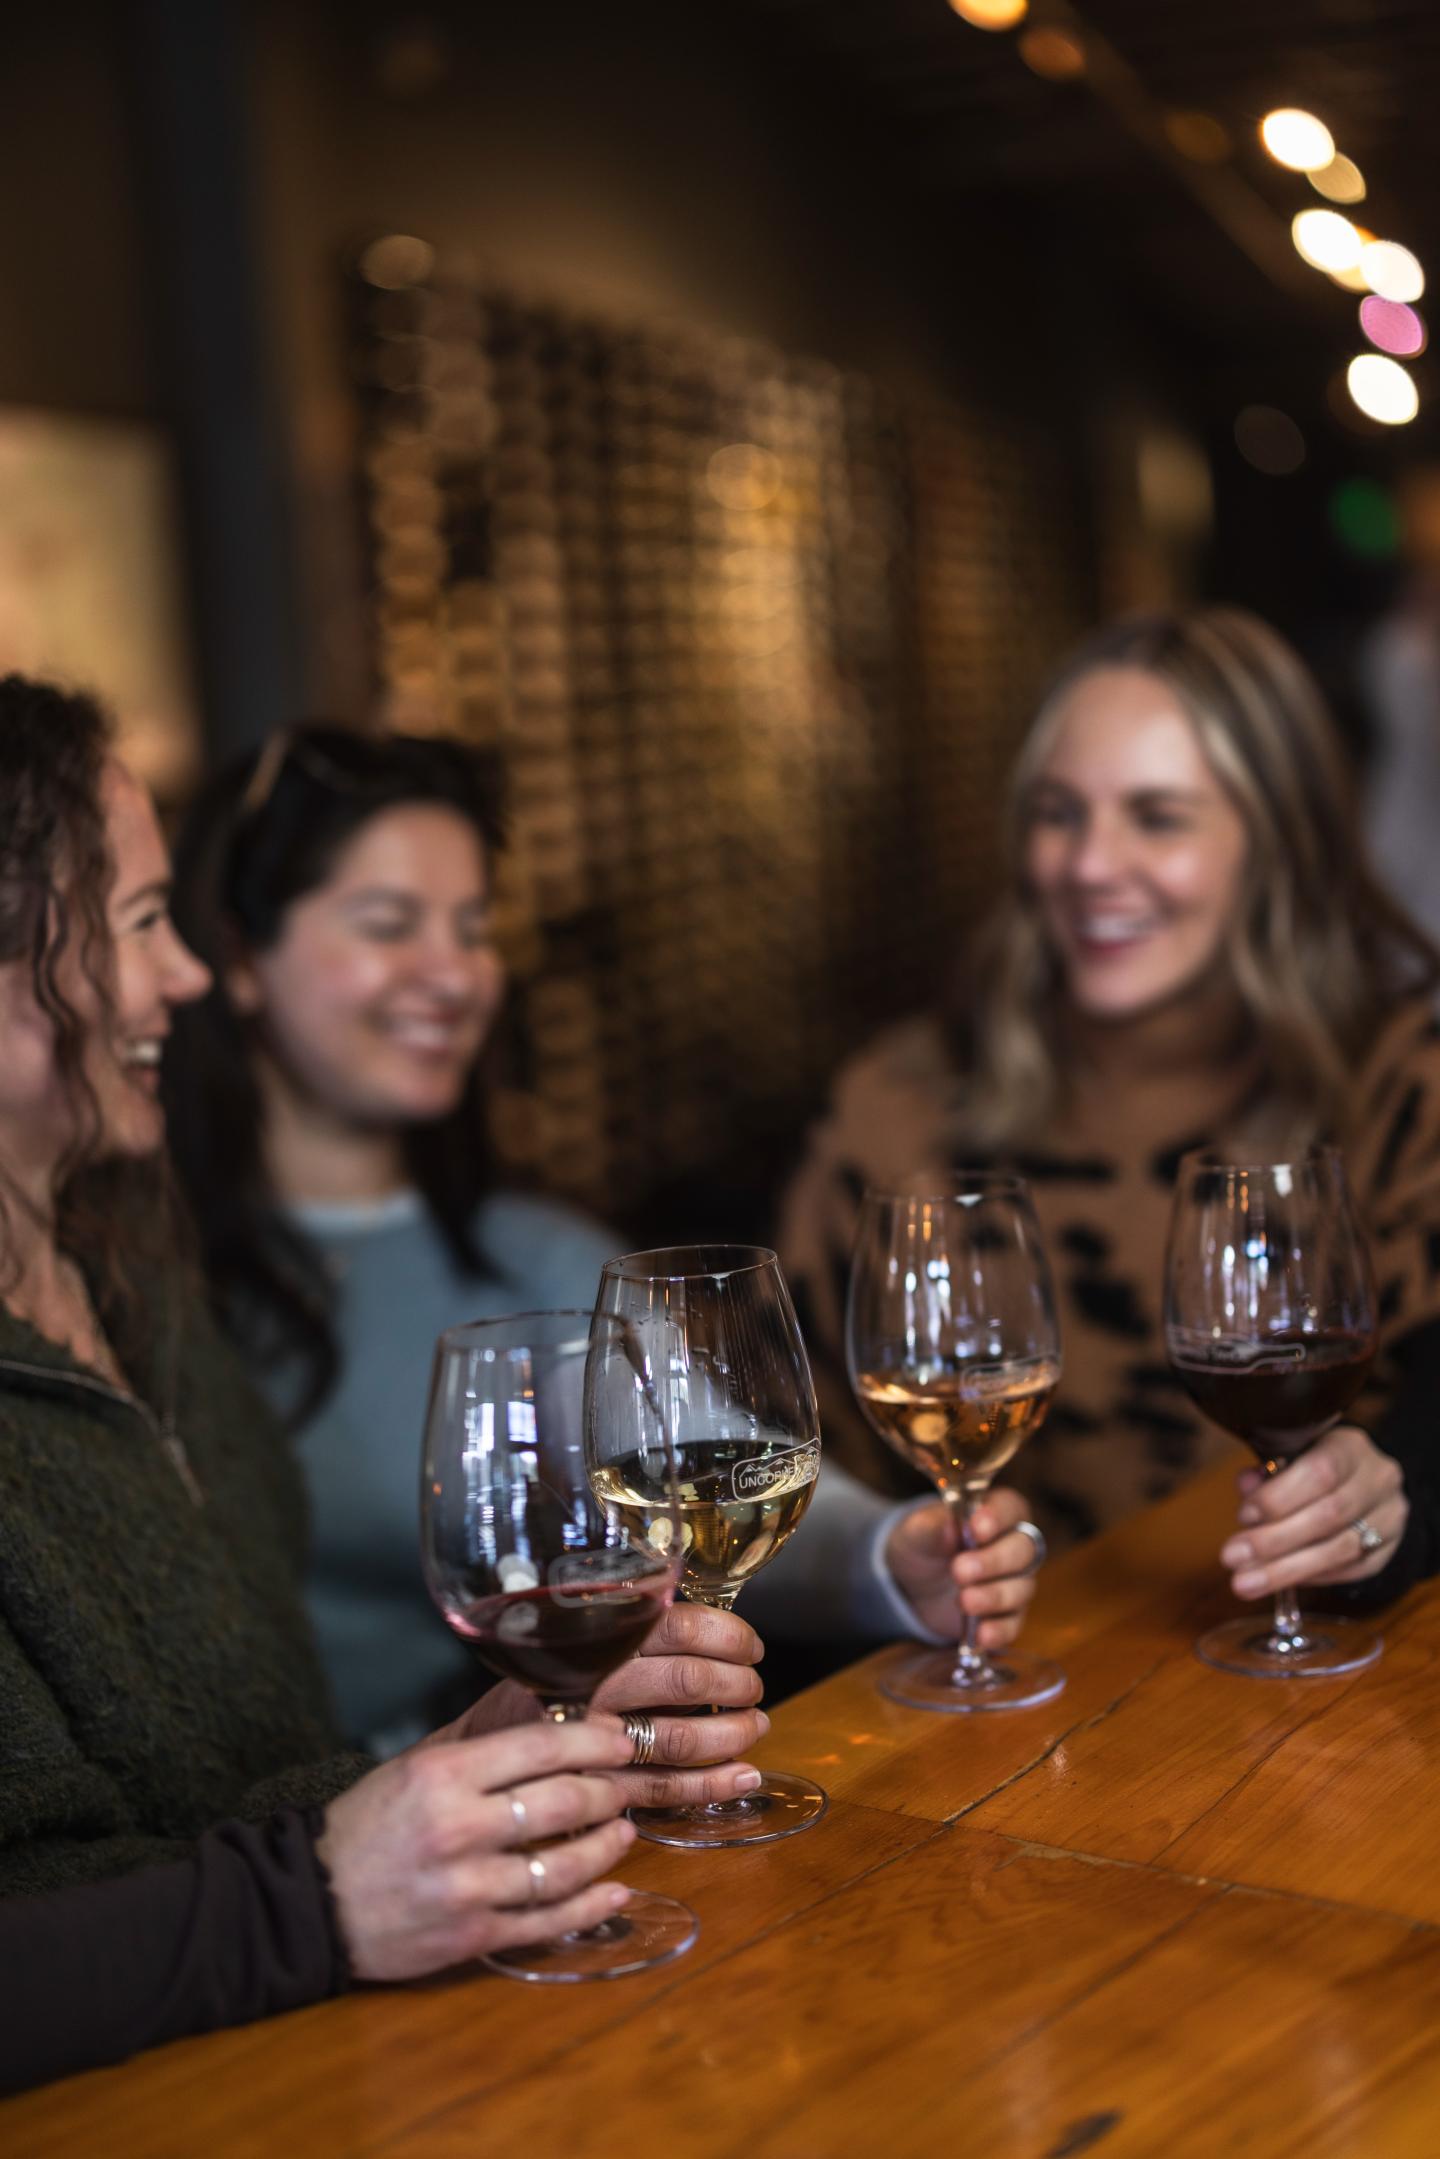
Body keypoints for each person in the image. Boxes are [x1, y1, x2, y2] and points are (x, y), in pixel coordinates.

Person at [0, 678, 772, 2093]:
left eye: (472, 925)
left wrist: (476, 1747)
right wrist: (312, 1896)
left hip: (321, 2056)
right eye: (139, 923)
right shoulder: (199, 1270)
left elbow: (241, 1773)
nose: (176, 978)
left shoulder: (134, 1280)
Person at [164, 726, 1048, 1744]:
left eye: (472, 925)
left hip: (476, 1823)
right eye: (389, 923)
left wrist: (893, 1558)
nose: (453, 974)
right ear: (236, 954)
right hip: (240, 1864)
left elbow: (727, 1470)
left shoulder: (530, 1257)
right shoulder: (119, 1275)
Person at [779, 607, 1440, 1610]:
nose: (1088, 864)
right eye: (1059, 811)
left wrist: (1394, 1503)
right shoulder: (900, 1103)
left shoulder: (1405, 1081)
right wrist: (880, 1564)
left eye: (1158, 815)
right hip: (997, 1717)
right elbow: (772, 1473)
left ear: (1279, 840)